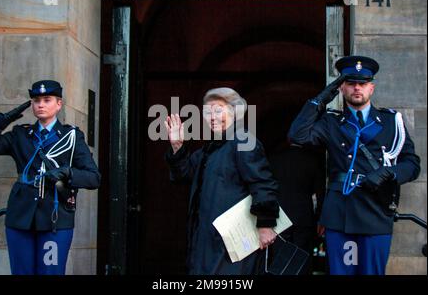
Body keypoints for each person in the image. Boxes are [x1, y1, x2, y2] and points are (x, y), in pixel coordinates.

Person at [288, 56, 420, 275]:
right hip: (341, 213)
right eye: (350, 83)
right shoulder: (332, 121)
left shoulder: (391, 121)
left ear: (372, 88)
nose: (357, 87)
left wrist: (389, 172)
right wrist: (321, 98)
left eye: (363, 83)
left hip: (376, 211)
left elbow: (412, 164)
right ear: (342, 88)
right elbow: (297, 135)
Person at [0, 80, 101, 275]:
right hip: (20, 217)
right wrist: (6, 118)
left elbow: (93, 178)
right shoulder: (20, 134)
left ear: (58, 104)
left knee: (50, 272)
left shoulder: (71, 136)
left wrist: (67, 173)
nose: (41, 104)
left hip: (55, 218)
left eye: (47, 99)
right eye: (36, 100)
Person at [164, 87, 280, 275]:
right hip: (206, 240)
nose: (212, 116)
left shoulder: (243, 142)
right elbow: (182, 175)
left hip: (234, 242)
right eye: (208, 111)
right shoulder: (209, 149)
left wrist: (266, 224)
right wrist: (177, 147)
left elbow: (262, 183)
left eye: (218, 110)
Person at [267, 142, 325, 274]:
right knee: (302, 257)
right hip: (304, 215)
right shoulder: (313, 159)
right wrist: (321, 218)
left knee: (279, 259)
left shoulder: (273, 158)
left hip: (279, 215)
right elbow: (321, 192)